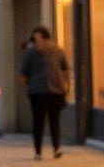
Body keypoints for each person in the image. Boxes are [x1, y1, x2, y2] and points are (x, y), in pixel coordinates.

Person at [20, 26, 70, 160]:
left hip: (56, 91)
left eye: (36, 38)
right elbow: (24, 71)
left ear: (43, 37)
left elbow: (65, 68)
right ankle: (38, 151)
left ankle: (56, 148)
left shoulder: (58, 51)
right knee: (38, 122)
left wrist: (66, 85)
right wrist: (26, 87)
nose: (34, 42)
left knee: (55, 121)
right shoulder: (30, 53)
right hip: (37, 92)